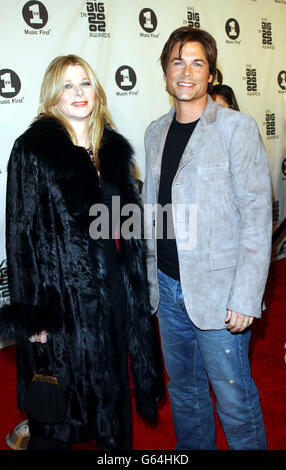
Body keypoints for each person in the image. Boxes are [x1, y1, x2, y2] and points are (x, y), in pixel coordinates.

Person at [0, 54, 163, 450]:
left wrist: (134, 285)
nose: (78, 92)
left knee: (114, 395)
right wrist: (32, 314)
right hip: (61, 306)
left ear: (97, 91)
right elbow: (20, 239)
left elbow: (123, 228)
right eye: (67, 85)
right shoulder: (32, 150)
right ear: (53, 96)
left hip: (115, 296)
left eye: (85, 83)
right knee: (58, 410)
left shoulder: (112, 150)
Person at [142, 26, 272, 450]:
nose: (187, 71)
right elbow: (152, 211)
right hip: (167, 286)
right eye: (177, 61)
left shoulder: (237, 128)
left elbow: (256, 217)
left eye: (197, 62)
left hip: (220, 294)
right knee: (185, 394)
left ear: (211, 74)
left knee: (234, 400)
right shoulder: (154, 132)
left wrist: (245, 296)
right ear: (165, 73)